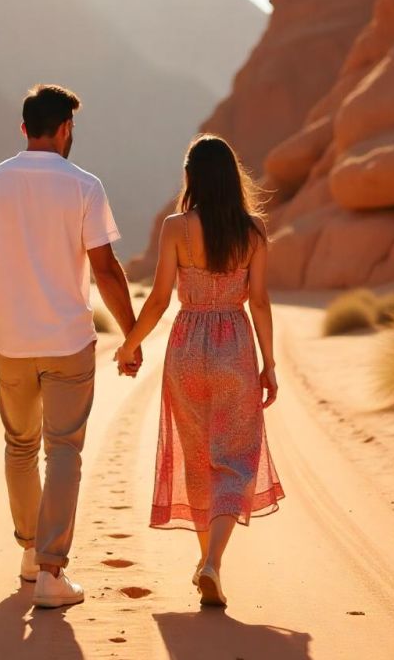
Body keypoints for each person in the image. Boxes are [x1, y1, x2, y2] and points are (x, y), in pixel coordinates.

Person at [0, 84, 141, 609]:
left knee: (20, 446)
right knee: (63, 451)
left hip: (11, 343)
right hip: (67, 343)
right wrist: (131, 334)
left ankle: (29, 551)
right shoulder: (84, 185)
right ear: (64, 129)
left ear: (23, 128)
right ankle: (52, 573)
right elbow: (105, 268)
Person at [114, 134, 284, 606]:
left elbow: (159, 298)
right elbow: (260, 301)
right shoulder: (252, 232)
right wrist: (269, 363)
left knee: (196, 455)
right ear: (233, 178)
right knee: (236, 457)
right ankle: (213, 564)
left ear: (191, 177)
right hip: (235, 348)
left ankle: (205, 559)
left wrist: (130, 344)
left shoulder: (175, 228)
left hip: (187, 344)